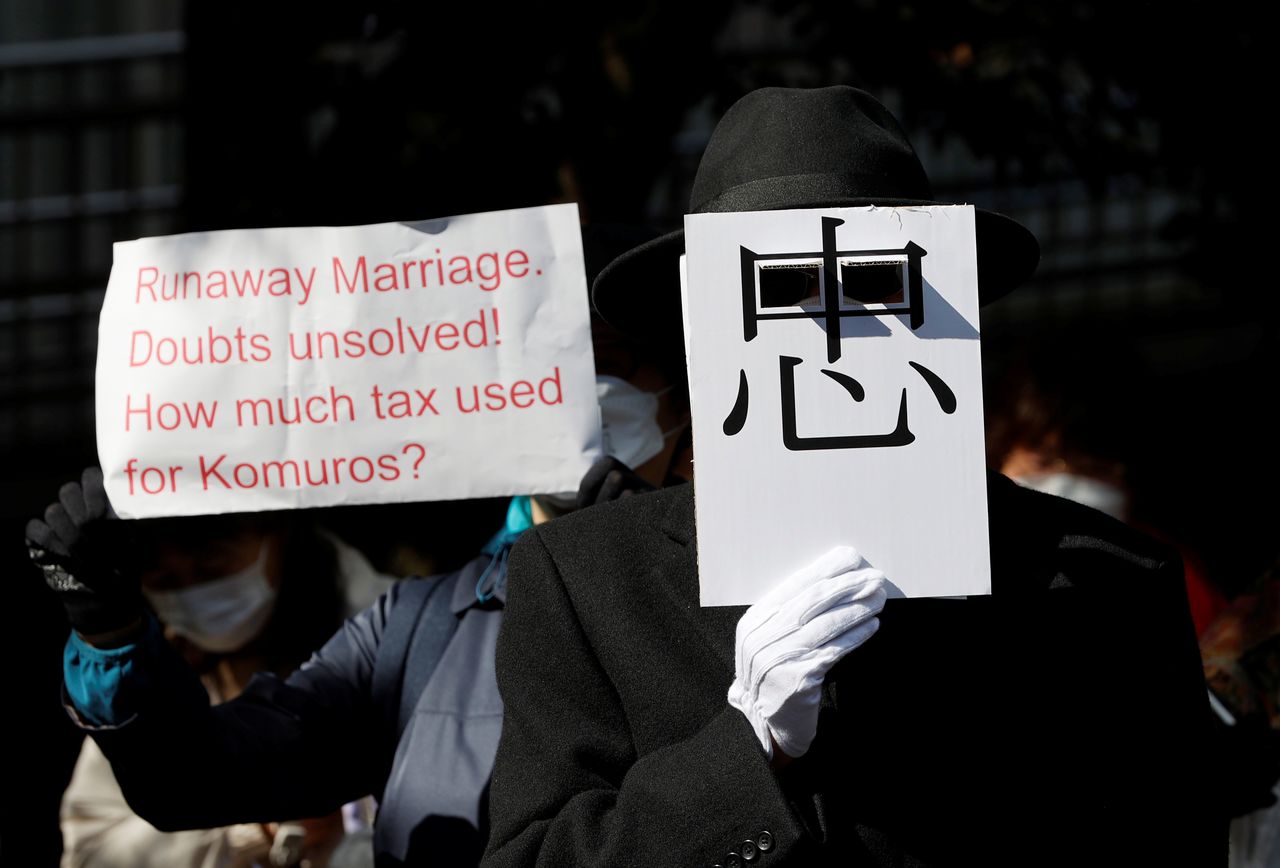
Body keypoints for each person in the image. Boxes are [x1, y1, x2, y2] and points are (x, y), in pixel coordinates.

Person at [480, 86, 1222, 867]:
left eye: (875, 284)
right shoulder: (588, 581)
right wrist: (746, 752)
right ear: (702, 325)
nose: (829, 333)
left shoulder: (1108, 579)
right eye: (777, 289)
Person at [27, 347, 679, 868]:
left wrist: (643, 580)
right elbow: (193, 781)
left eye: (618, 358)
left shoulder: (749, 605)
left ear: (684, 392)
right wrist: (109, 631)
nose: (587, 383)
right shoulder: (418, 630)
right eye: (563, 357)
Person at [49, 497, 392, 868]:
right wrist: (246, 833)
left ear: (279, 531)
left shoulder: (391, 644)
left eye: (211, 559)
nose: (192, 591)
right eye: (163, 577)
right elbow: (93, 853)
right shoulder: (152, 679)